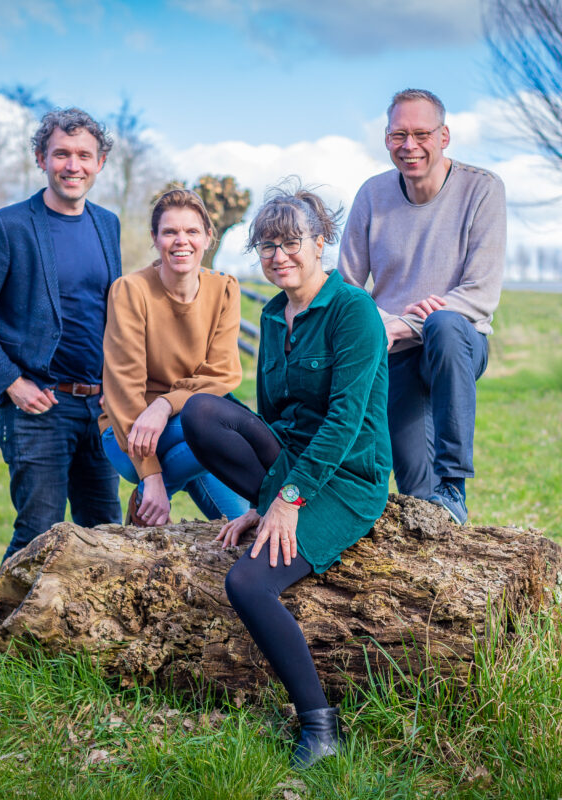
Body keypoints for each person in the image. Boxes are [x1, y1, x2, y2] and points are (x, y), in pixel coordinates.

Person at [181, 184, 391, 769]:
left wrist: (292, 498)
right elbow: (271, 414)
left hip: (346, 477)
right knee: (201, 412)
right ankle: (266, 502)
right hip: (291, 462)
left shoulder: (354, 312)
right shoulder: (274, 315)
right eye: (267, 245)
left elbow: (347, 421)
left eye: (291, 242)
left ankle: (320, 726)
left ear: (320, 242)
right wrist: (263, 501)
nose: (279, 256)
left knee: (248, 585)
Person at [0, 108, 122, 564]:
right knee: (36, 535)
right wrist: (11, 382)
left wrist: (120, 390)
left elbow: (114, 314)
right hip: (39, 407)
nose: (73, 165)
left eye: (84, 155)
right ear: (40, 158)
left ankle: (85, 635)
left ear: (100, 162)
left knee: (105, 536)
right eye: (61, 154)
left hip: (100, 407)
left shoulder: (108, 224)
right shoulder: (8, 226)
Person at [338, 88, 505, 525]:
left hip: (459, 343)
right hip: (394, 352)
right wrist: (379, 325)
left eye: (421, 134)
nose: (409, 146)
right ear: (386, 139)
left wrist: (406, 323)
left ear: (444, 136)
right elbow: (348, 288)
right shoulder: (372, 195)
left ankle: (456, 484)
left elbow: (480, 293)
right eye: (398, 135)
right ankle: (443, 514)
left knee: (445, 325)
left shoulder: (482, 189)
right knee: (418, 498)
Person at [98, 189, 249, 526]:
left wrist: (164, 405)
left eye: (192, 231)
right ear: (155, 238)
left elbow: (223, 373)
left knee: (240, 527)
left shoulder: (224, 289)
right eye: (170, 232)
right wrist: (150, 476)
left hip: (194, 421)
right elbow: (123, 389)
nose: (182, 241)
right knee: (222, 433)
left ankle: (142, 514)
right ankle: (152, 492)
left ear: (208, 237)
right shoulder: (130, 291)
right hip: (131, 431)